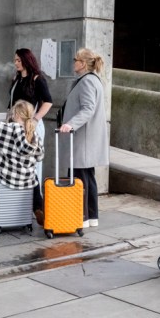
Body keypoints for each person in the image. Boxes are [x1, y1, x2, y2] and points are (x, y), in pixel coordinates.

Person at [58, 47, 109, 228]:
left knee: (79, 178)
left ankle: (81, 217)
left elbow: (88, 108)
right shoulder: (92, 80)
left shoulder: (87, 81)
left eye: (75, 59)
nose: (73, 62)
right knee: (88, 177)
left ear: (83, 63)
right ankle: (91, 217)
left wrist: (70, 124)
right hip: (87, 138)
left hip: (82, 138)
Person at [9, 49, 52, 225]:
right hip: (15, 124)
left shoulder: (37, 78)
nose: (16, 63)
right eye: (15, 60)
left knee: (33, 166)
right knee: (17, 164)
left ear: (26, 60)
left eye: (18, 60)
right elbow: (10, 104)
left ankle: (37, 205)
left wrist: (35, 119)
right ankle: (21, 205)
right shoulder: (16, 79)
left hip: (31, 125)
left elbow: (48, 101)